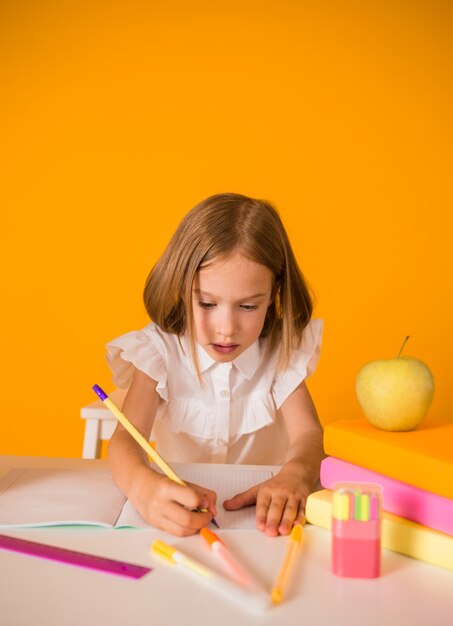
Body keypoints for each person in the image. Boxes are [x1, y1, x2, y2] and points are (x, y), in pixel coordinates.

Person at [106, 192, 324, 537]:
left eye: (249, 307)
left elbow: (309, 434)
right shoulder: (159, 350)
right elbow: (125, 441)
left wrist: (296, 472)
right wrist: (144, 489)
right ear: (181, 288)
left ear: (274, 293)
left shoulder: (281, 350)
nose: (226, 328)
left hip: (260, 526)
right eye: (206, 303)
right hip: (182, 519)